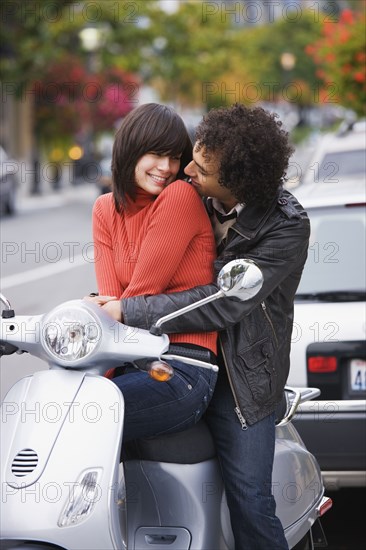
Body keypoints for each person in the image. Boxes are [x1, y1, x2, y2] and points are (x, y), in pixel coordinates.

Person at [101, 103, 311, 549]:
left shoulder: (286, 227)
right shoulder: (189, 190)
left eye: (201, 167)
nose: (187, 169)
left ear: (234, 182)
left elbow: (221, 304)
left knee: (251, 502)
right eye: (192, 155)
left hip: (242, 376)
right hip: (167, 358)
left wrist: (128, 310)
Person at [87, 102, 218, 442]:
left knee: (82, 416)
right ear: (130, 150)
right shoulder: (104, 209)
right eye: (156, 154)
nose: (167, 167)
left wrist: (110, 310)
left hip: (184, 367)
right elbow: (111, 302)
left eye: (174, 157)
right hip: (134, 362)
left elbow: (134, 301)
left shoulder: (179, 196)